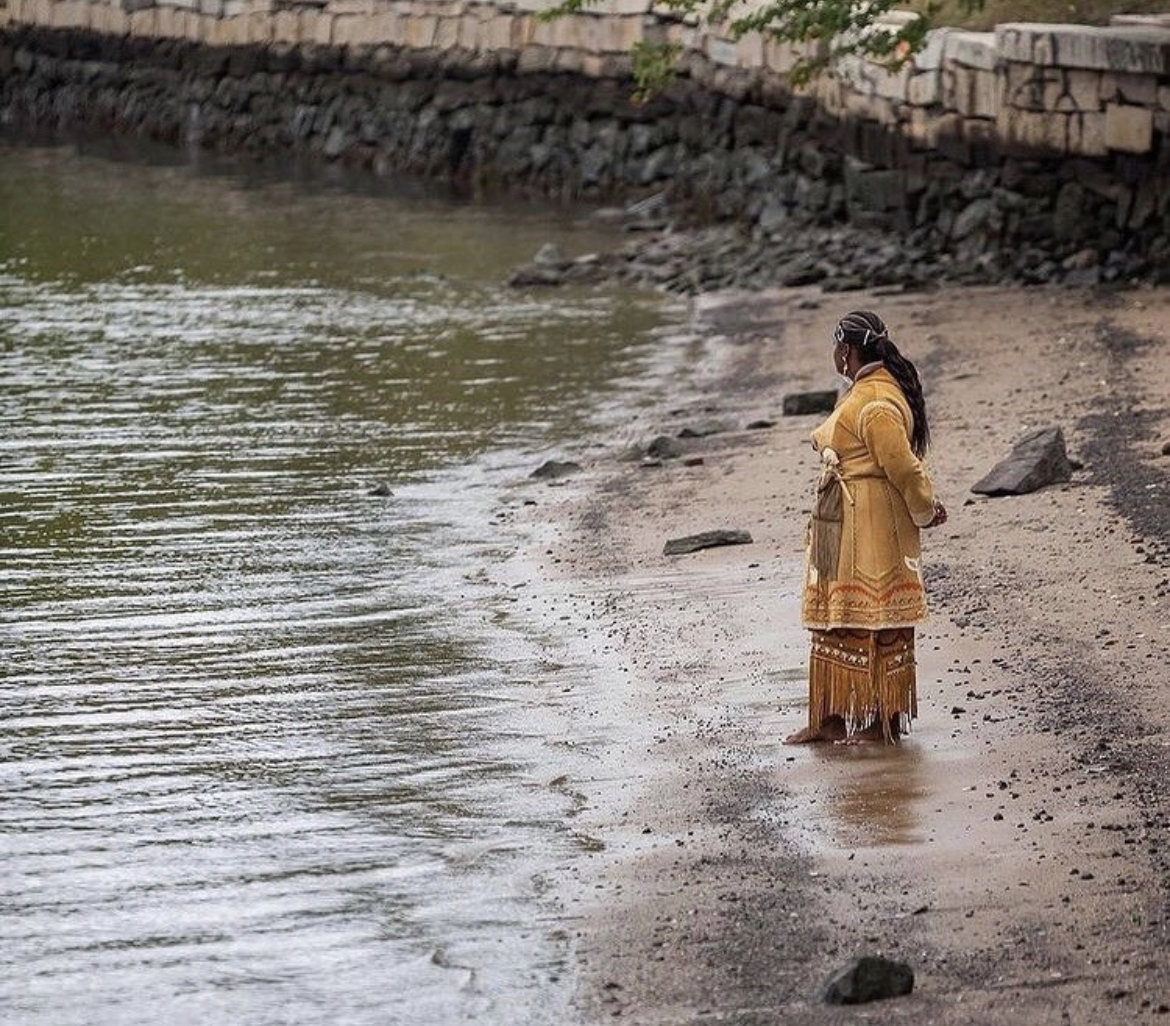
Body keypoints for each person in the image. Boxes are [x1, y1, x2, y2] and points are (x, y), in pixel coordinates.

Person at [785, 310, 947, 745]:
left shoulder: (877, 403)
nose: (835, 356)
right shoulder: (868, 391)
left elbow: (904, 468)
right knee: (833, 616)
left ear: (848, 350)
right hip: (842, 515)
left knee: (875, 617)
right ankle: (830, 716)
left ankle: (884, 721)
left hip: (870, 519)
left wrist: (926, 509)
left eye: (838, 348)